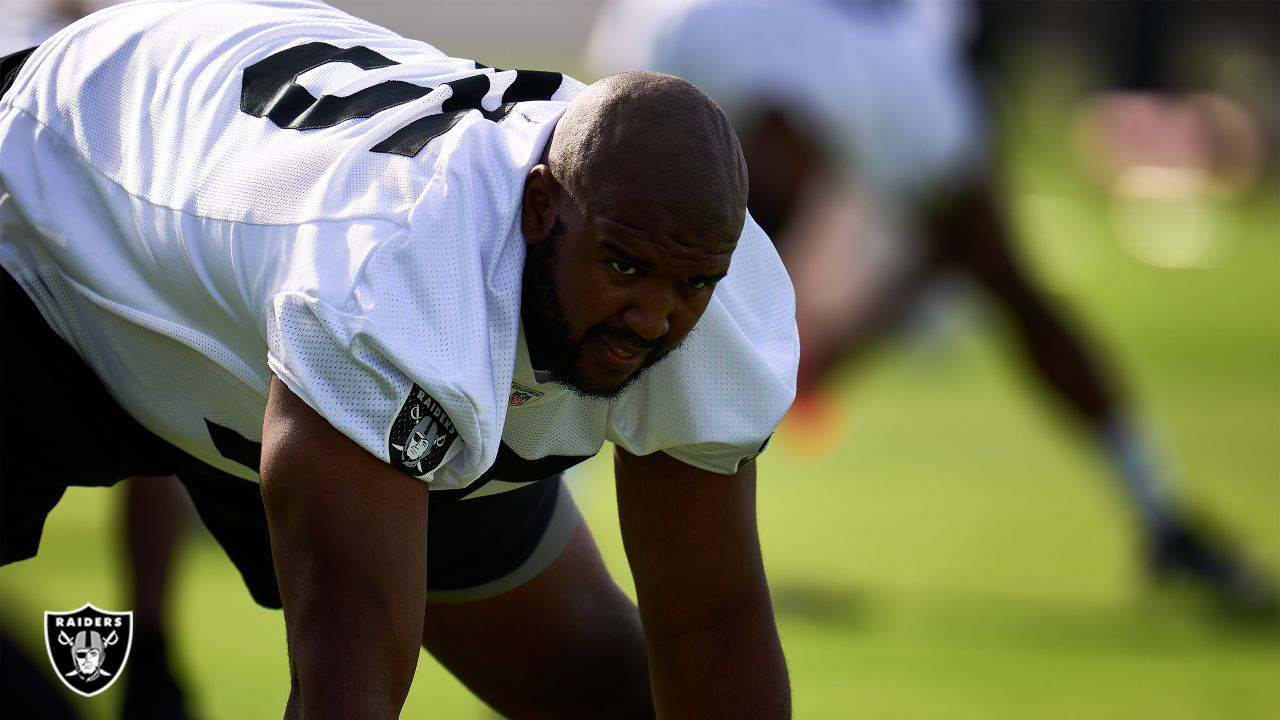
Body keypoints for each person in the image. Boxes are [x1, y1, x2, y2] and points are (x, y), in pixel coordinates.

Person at [0, 0, 798, 717]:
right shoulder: (397, 296)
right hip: (57, 194)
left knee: (608, 695)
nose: (656, 319)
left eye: (691, 283)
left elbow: (713, 634)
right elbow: (347, 693)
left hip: (296, 296)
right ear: (541, 207)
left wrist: (654, 274)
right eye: (623, 267)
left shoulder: (697, 262)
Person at [587, 0, 1274, 610]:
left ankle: (1163, 513)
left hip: (908, 48)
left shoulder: (910, 108)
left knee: (1011, 285)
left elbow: (955, 253)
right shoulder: (678, 37)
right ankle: (573, 519)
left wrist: (843, 344)